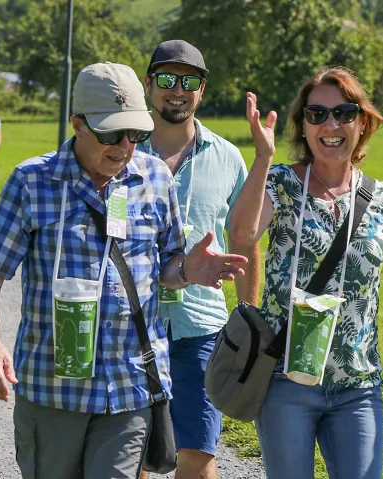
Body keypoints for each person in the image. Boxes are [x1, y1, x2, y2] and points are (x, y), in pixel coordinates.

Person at [0, 62, 248, 479]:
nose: (124, 146)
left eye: (135, 134)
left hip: (128, 388)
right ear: (78, 124)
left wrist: (188, 269)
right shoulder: (32, 181)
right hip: (52, 390)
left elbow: (167, 267)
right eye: (111, 134)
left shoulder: (155, 179)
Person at [228, 66, 383, 479]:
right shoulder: (281, 184)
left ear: (363, 123)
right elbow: (241, 235)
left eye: (344, 113)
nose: (331, 124)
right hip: (285, 380)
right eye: (317, 114)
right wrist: (263, 157)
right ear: (303, 126)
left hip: (357, 386)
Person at [136, 40, 261, 479]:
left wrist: (250, 319)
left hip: (201, 330)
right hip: (129, 325)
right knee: (131, 452)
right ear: (148, 84)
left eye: (189, 81)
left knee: (198, 453)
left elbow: (245, 242)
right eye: (167, 79)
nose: (177, 90)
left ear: (202, 90)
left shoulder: (226, 157)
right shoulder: (122, 151)